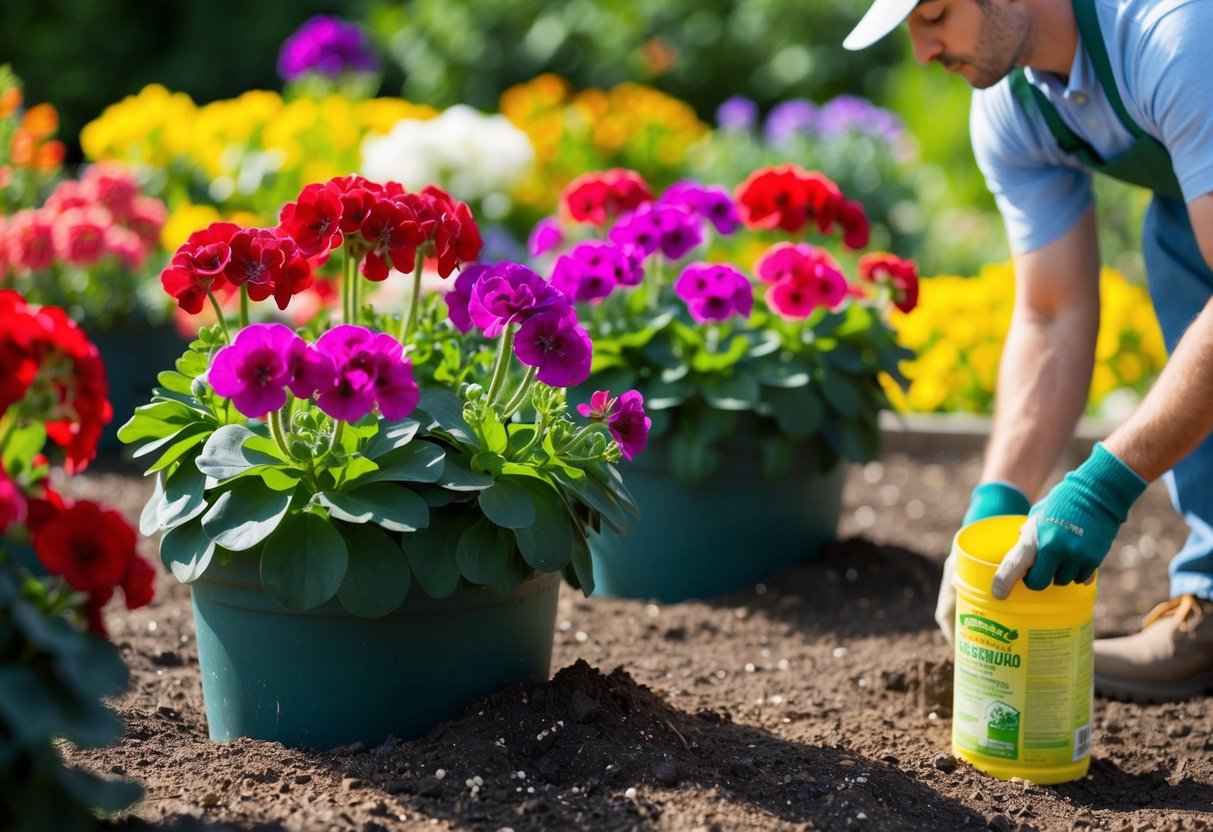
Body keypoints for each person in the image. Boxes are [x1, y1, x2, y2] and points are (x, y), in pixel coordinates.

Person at [843, 0, 1213, 702]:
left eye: (935, 15)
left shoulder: (1175, 37)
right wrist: (996, 502)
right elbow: (1051, 312)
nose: (923, 52)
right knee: (1180, 240)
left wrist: (1101, 487)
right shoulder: (1012, 106)